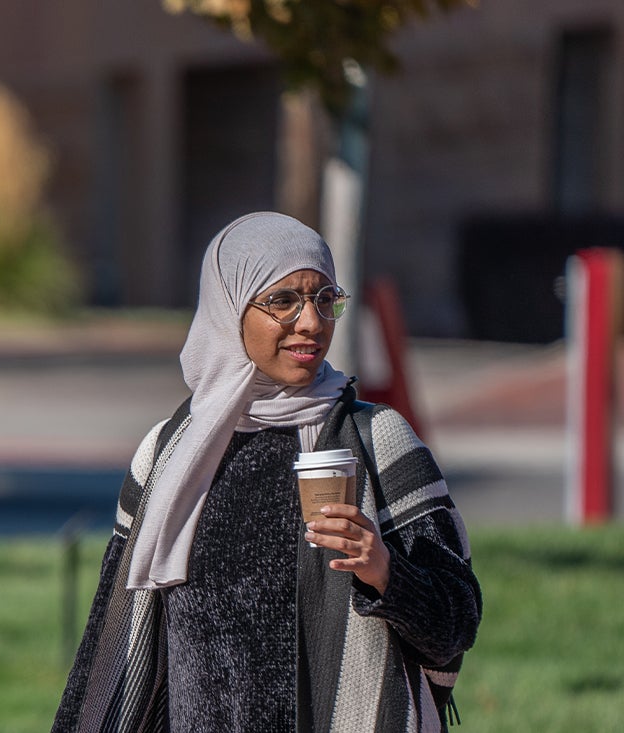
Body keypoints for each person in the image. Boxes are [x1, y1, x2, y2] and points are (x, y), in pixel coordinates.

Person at [53, 212, 481, 732]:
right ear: (229, 310)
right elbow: (120, 637)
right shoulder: (167, 453)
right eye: (283, 301)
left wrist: (385, 572)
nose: (311, 322)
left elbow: (455, 623)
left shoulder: (377, 442)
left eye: (325, 300)